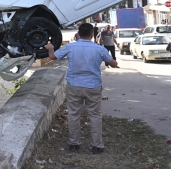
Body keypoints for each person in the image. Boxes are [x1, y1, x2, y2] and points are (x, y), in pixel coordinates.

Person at [46, 23, 118, 154]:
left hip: (75, 86)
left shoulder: (70, 47)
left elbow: (53, 57)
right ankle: (97, 145)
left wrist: (50, 48)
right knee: (95, 115)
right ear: (92, 35)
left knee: (73, 115)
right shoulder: (99, 49)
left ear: (78, 34)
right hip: (93, 86)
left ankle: (74, 143)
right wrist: (107, 60)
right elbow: (114, 63)